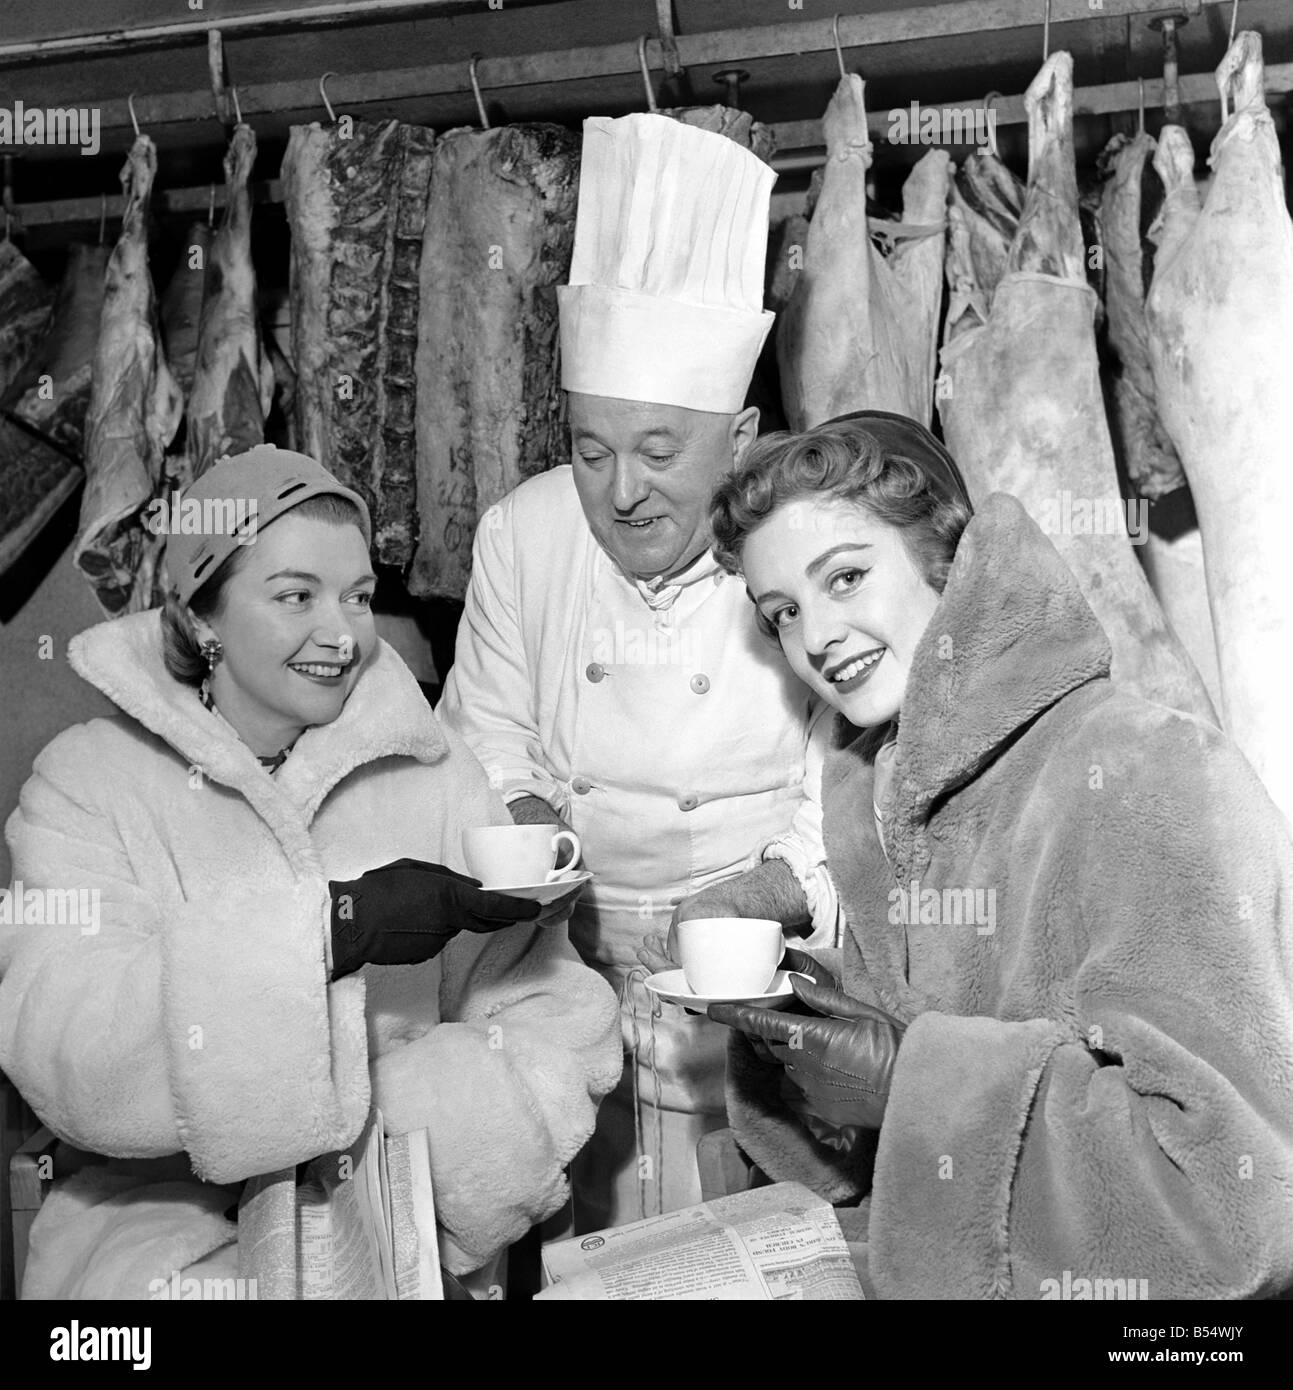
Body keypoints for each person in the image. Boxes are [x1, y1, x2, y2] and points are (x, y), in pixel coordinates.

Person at [690, 411, 1293, 1298]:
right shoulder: (880, 802)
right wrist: (797, 1044)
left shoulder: (1146, 768)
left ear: (948, 559)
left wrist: (913, 1086)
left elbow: (1238, 1218)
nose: (814, 638)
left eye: (846, 577)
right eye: (782, 612)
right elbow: (876, 1179)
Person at [0, 445, 622, 1299]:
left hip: (407, 1236)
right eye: (296, 595)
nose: (342, 634)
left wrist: (429, 1131)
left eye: (358, 597)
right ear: (201, 618)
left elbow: (554, 1010)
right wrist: (330, 929)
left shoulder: (432, 772)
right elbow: (64, 1046)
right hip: (161, 1242)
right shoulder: (88, 783)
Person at [438, 113, 830, 1231]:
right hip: (574, 1003)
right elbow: (490, 728)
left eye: (661, 453)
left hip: (770, 1013)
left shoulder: (804, 554)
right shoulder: (523, 536)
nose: (621, 493)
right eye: (592, 448)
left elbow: (849, 790)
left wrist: (768, 891)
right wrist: (520, 821)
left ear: (743, 439)